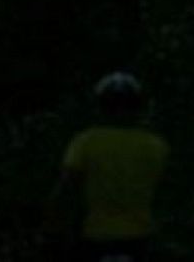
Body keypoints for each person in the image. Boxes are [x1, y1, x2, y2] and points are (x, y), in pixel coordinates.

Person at [48, 72, 169, 261]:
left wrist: (55, 229)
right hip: (140, 238)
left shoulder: (85, 142)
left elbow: (66, 189)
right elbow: (163, 194)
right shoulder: (156, 145)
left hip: (95, 238)